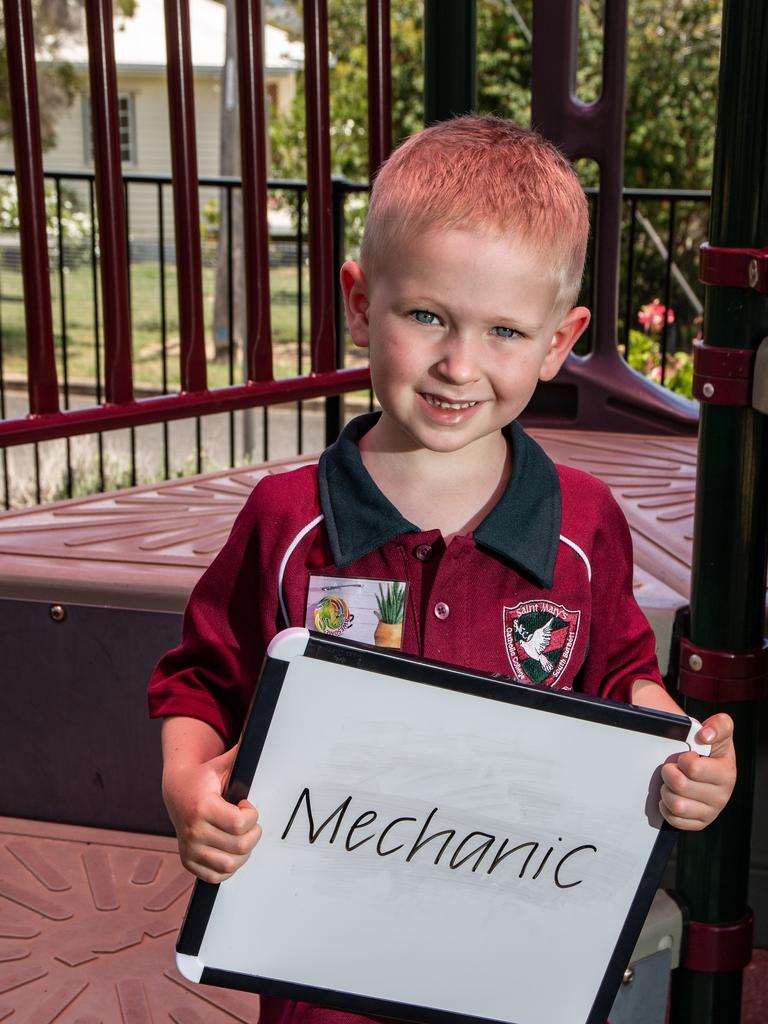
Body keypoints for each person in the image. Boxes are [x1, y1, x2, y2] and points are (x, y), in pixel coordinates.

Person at [148, 116, 736, 1023]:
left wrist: (676, 753)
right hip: (321, 967)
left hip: (509, 965)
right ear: (358, 300)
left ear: (558, 340)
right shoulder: (287, 523)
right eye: (426, 315)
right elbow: (199, 682)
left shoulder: (583, 526)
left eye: (505, 330)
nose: (460, 364)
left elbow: (622, 678)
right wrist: (187, 787)